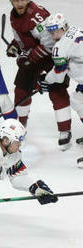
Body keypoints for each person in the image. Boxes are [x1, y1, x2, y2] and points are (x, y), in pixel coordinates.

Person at [6, 0, 72, 151]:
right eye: (15, 0)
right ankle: (20, 126)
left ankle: (64, 130)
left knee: (57, 90)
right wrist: (16, 45)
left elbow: (50, 43)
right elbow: (24, 38)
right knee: (22, 89)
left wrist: (30, 58)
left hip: (53, 55)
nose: (19, 3)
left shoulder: (37, 16)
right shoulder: (13, 15)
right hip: (34, 55)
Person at [38, 13, 83, 167]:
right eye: (50, 31)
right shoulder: (76, 30)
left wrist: (46, 79)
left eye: (55, 30)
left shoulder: (60, 47)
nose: (53, 35)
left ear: (63, 27)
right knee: (78, 100)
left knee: (79, 102)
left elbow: (58, 76)